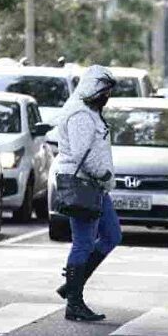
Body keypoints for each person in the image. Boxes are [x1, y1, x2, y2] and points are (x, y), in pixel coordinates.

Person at [54, 65, 121, 322]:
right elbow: (84, 154)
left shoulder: (90, 110)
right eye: (104, 91)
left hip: (95, 187)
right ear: (93, 88)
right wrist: (105, 175)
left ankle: (72, 284)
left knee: (112, 235)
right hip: (85, 185)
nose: (107, 97)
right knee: (83, 242)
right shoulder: (80, 113)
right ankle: (74, 302)